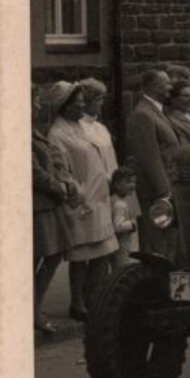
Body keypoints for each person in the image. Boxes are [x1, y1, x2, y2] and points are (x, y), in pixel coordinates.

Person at [46, 81, 120, 320]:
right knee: (80, 257)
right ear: (65, 106)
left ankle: (93, 298)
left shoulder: (82, 127)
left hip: (101, 199)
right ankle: (77, 304)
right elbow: (61, 171)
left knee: (102, 252)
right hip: (83, 203)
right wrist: (79, 195)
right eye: (78, 102)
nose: (82, 105)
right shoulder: (57, 134)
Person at [31, 85, 76, 335]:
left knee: (52, 256)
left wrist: (62, 180)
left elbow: (48, 162)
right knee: (38, 259)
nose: (38, 106)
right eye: (35, 101)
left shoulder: (33, 130)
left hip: (49, 203)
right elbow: (33, 171)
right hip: (40, 204)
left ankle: (33, 307)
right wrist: (58, 187)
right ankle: (32, 311)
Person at [126, 67, 180, 210]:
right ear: (154, 87)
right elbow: (149, 156)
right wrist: (164, 191)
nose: (171, 87)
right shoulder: (143, 114)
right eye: (167, 83)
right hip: (155, 192)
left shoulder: (155, 110)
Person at [110, 165, 140, 259]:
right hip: (123, 246)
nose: (132, 185)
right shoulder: (119, 204)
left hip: (125, 244)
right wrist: (132, 224)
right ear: (117, 185)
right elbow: (118, 226)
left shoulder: (120, 199)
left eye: (133, 182)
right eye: (128, 182)